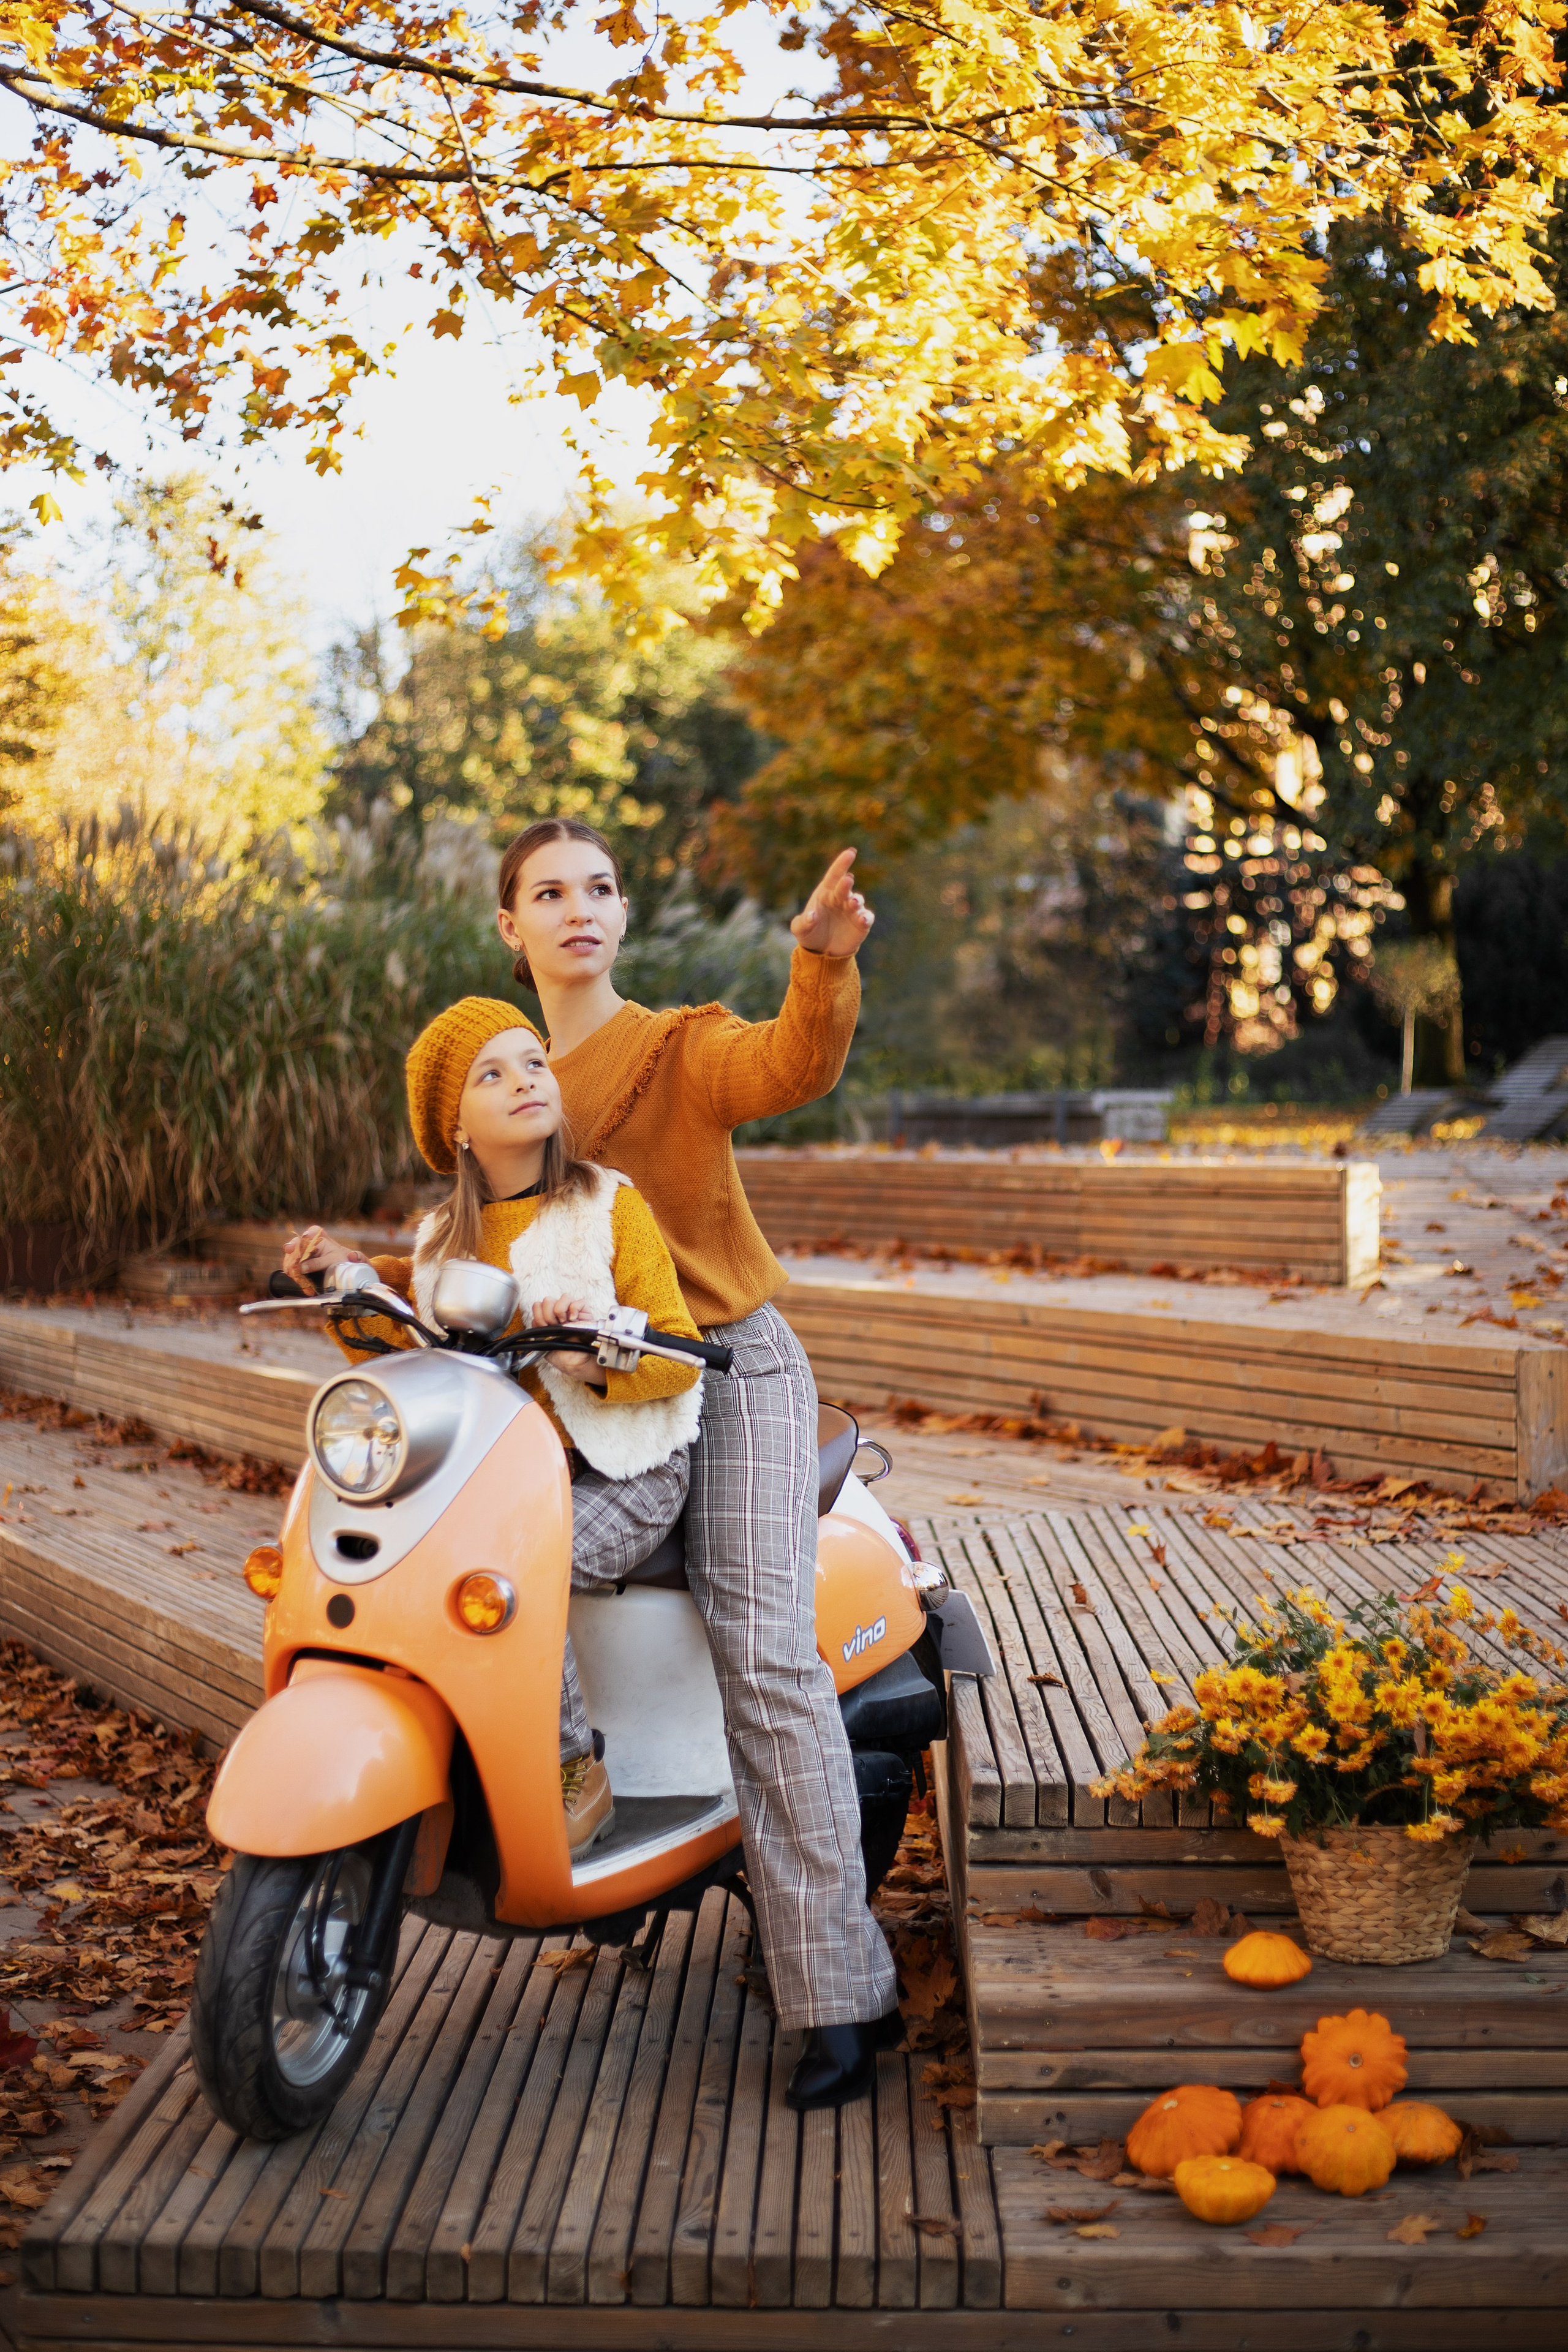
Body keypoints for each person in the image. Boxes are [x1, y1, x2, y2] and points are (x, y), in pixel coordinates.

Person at [496, 818, 900, 2111]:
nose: (578, 909)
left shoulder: (674, 1049)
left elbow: (788, 1062)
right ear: (509, 929)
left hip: (731, 1369)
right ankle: (573, 1813)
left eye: (599, 888)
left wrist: (819, 962)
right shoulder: (499, 1081)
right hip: (585, 1392)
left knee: (762, 1640)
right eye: (548, 892)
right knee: (497, 1568)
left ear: (622, 914)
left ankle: (841, 1996)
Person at [282, 998, 706, 1856]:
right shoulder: (447, 1239)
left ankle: (570, 1769)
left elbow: (681, 1354)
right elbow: (407, 1335)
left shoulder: (606, 1207)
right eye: (493, 1073)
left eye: (533, 1062)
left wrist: (595, 1358)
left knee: (517, 1571)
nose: (524, 1081)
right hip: (504, 1480)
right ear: (459, 1129)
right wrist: (341, 1278)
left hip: (622, 1469)